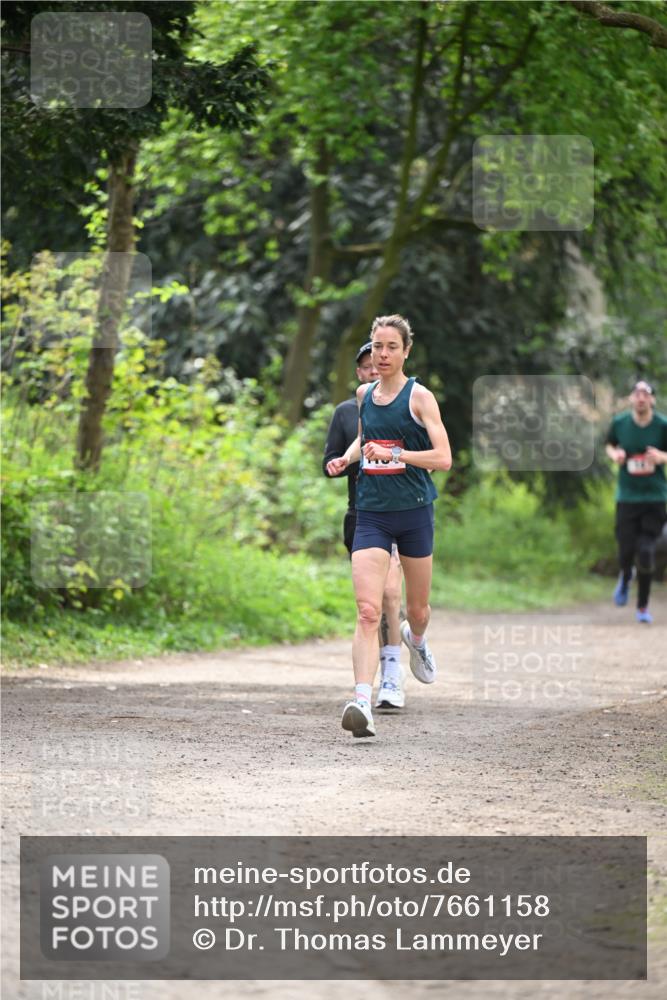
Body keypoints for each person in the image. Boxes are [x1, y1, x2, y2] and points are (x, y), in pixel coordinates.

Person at [326, 314, 452, 737]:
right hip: (373, 514)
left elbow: (443, 458)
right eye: (377, 346)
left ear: (405, 351)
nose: (382, 354)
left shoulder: (420, 398)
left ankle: (416, 640)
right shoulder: (364, 395)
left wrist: (398, 456)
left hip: (415, 513)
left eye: (391, 347)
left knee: (416, 610)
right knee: (366, 609)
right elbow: (366, 439)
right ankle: (362, 698)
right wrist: (349, 457)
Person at [323, 341, 406, 710]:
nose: (374, 370)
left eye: (379, 364)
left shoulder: (406, 406)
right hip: (359, 515)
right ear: (359, 373)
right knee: (369, 605)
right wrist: (341, 462)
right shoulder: (344, 413)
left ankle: (392, 673)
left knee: (390, 594)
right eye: (367, 366)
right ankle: (368, 687)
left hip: (397, 512)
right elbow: (331, 458)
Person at [605, 379, 667, 624]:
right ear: (631, 398)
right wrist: (616, 455)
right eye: (637, 393)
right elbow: (609, 445)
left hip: (654, 497)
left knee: (646, 551)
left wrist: (661, 457)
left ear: (651, 399)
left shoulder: (662, 425)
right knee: (626, 548)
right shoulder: (620, 423)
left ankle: (642, 606)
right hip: (627, 497)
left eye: (646, 394)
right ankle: (625, 575)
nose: (641, 398)